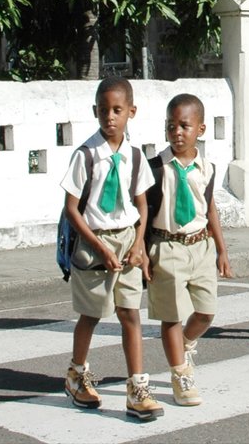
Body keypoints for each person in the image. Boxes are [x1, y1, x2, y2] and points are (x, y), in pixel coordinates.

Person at [60, 76, 163, 420]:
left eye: (117, 110)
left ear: (131, 111)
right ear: (95, 111)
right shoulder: (86, 155)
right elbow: (72, 209)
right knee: (91, 314)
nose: (110, 117)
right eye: (103, 110)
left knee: (130, 313)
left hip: (127, 239)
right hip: (94, 241)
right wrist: (99, 247)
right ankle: (76, 374)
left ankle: (137, 388)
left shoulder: (135, 155)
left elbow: (143, 205)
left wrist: (138, 244)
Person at [146, 93, 233, 406]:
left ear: (201, 129)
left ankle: (184, 344)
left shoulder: (206, 168)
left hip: (200, 246)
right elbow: (143, 211)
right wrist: (141, 253)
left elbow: (210, 209)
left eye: (184, 126)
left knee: (206, 312)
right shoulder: (155, 168)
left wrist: (221, 250)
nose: (177, 132)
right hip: (166, 246)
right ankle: (180, 373)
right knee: (170, 316)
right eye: (171, 126)